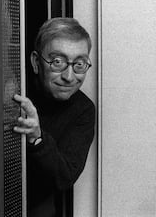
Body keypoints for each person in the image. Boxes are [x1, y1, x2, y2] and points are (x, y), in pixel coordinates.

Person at [13, 17, 95, 217]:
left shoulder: (84, 110)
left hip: (35, 206)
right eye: (57, 61)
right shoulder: (13, 89)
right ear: (35, 62)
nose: (69, 76)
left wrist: (36, 138)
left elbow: (64, 177)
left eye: (79, 64)